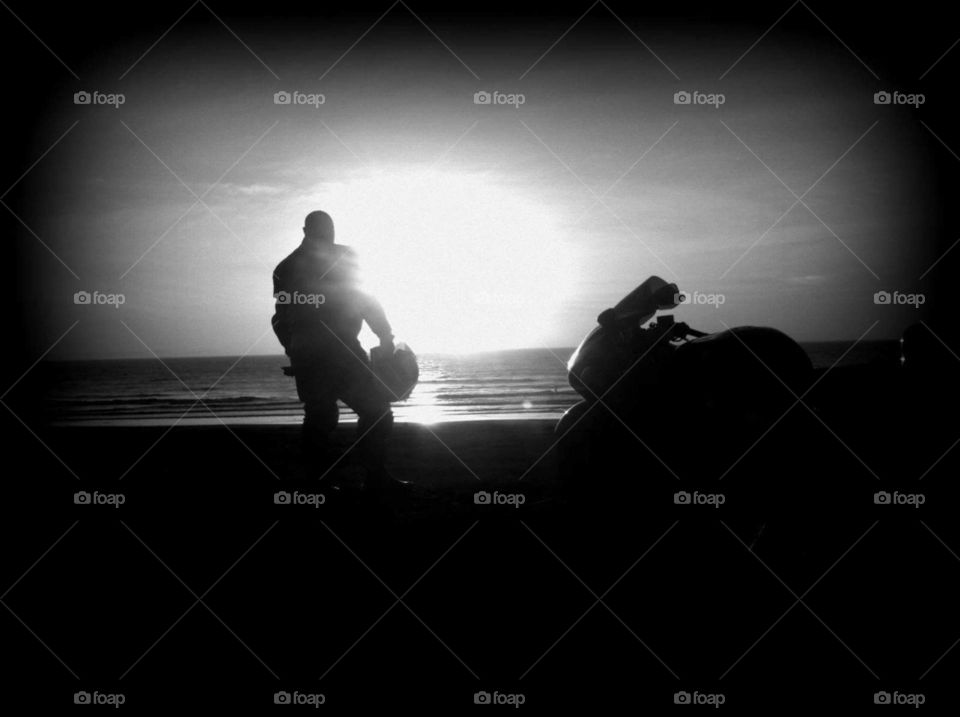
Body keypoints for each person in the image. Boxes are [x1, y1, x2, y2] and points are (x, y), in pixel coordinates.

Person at [272, 210, 400, 494]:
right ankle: (323, 484)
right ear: (305, 230)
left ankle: (373, 476)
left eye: (329, 230)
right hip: (318, 356)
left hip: (340, 352)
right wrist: (293, 351)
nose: (327, 235)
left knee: (374, 411)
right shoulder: (288, 269)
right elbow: (282, 317)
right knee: (324, 417)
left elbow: (366, 300)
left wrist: (385, 335)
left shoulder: (337, 258)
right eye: (322, 230)